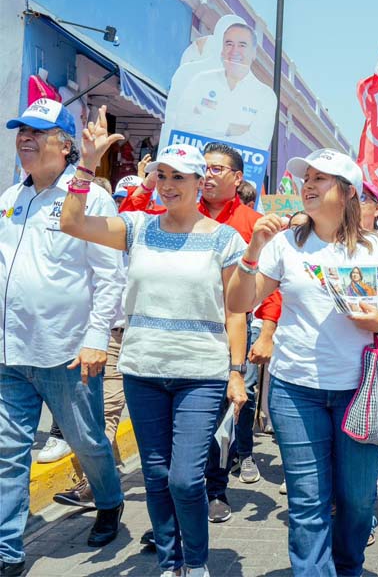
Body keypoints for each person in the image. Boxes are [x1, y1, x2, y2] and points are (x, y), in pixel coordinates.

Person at [61, 139, 249, 577]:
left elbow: (234, 310)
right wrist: (87, 165)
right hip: (143, 370)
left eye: (178, 177)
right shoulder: (136, 227)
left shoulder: (224, 239)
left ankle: (197, 562)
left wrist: (236, 371)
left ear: (200, 183)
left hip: (200, 374)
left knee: (186, 478)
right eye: (161, 175)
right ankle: (171, 562)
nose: (167, 185)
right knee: (157, 476)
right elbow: (72, 222)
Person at [227, 148, 378, 576]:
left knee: (358, 499)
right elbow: (238, 302)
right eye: (305, 177)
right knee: (308, 500)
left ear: (348, 193)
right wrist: (253, 250)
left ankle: (347, 568)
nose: (307, 185)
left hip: (363, 391)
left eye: (320, 178)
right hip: (296, 390)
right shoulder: (285, 245)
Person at [124, 141, 281, 524]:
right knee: (168, 463)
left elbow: (262, 289)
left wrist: (259, 341)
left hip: (221, 344)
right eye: (204, 168)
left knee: (213, 435)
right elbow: (126, 219)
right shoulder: (159, 216)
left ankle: (215, 491)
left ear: (236, 177)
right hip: (155, 356)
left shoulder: (245, 223)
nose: (208, 176)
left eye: (215, 169)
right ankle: (171, 527)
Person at [0, 100, 125, 577]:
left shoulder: (90, 199)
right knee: (8, 452)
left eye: (38, 131)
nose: (25, 139)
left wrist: (96, 337)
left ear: (66, 144)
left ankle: (109, 499)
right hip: (11, 352)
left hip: (67, 353)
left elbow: (109, 277)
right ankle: (9, 551)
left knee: (87, 440)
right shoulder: (12, 196)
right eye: (21, 131)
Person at [173, 23, 277, 149]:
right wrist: (228, 128)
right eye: (229, 44)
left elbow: (257, 144)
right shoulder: (201, 80)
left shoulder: (265, 96)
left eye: (242, 45)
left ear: (253, 53)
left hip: (233, 168)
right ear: (222, 50)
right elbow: (182, 123)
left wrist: (203, 122)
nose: (234, 51)